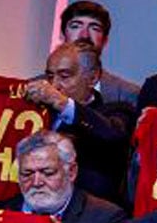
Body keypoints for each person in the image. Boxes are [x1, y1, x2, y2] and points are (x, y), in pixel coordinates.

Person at [25, 41, 135, 206]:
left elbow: (113, 135)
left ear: (93, 78)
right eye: (50, 76)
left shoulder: (117, 111)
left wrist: (63, 104)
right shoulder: (35, 112)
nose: (54, 85)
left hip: (87, 218)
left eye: (64, 76)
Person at [59, 0, 140, 107]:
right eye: (76, 26)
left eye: (94, 28)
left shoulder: (127, 94)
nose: (84, 35)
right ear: (62, 35)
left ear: (105, 40)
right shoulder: (32, 88)